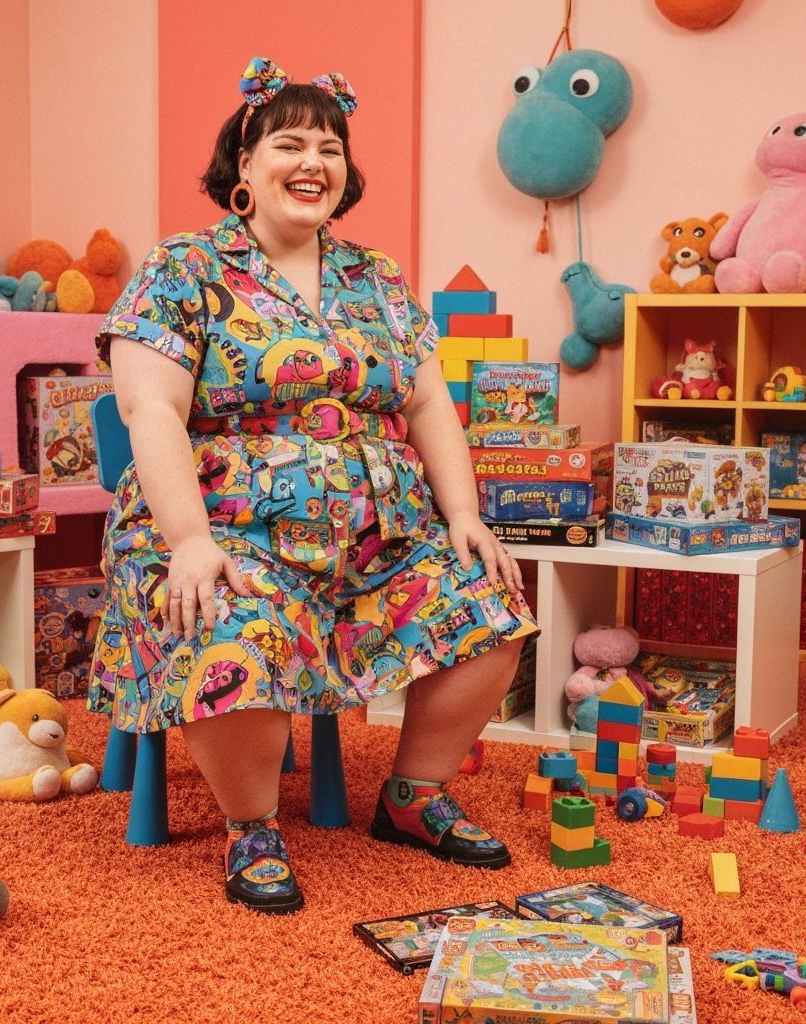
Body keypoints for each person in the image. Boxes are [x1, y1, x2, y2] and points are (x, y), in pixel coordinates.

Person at [88, 56, 539, 914]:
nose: (313, 162)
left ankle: (414, 796)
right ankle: (251, 825)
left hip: (383, 540)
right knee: (229, 625)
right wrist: (189, 540)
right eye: (290, 143)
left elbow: (429, 399)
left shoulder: (378, 278)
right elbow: (150, 410)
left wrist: (467, 516)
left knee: (493, 599)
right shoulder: (185, 268)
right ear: (245, 166)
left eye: (330, 148)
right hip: (227, 530)